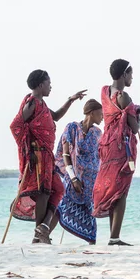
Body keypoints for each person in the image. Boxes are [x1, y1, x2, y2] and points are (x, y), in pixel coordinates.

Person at [9, 69, 87, 244]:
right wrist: (29, 150)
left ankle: (43, 227)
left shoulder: (41, 105)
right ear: (40, 84)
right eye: (49, 83)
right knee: (43, 192)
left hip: (47, 155)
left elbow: (57, 116)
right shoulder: (31, 104)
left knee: (58, 188)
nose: (51, 86)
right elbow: (15, 126)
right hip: (37, 154)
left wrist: (70, 100)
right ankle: (40, 236)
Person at [92, 59, 140, 245]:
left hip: (107, 145)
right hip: (122, 148)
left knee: (113, 189)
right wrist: (139, 116)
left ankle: (113, 236)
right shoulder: (124, 97)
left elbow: (123, 110)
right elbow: (134, 127)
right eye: (130, 74)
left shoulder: (105, 91)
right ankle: (115, 238)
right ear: (123, 75)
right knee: (121, 192)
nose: (132, 78)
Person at [51, 99, 103, 245]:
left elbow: (101, 156)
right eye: (101, 113)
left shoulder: (98, 133)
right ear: (92, 113)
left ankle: (92, 244)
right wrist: (73, 178)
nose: (103, 117)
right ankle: (43, 235)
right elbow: (66, 154)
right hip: (73, 177)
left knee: (89, 213)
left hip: (90, 183)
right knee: (63, 206)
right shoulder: (72, 128)